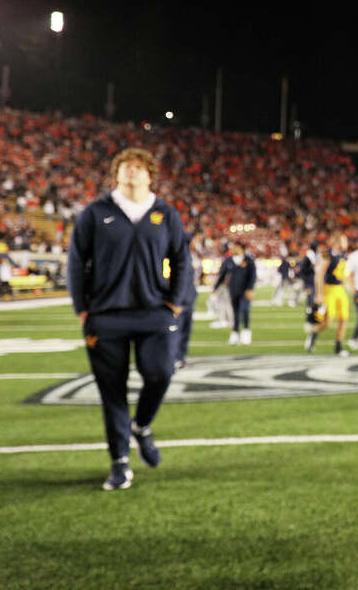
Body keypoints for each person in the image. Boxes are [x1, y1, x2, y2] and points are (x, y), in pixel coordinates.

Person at [67, 147, 190, 491]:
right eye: (126, 166)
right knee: (113, 392)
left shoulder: (166, 214)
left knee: (161, 372)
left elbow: (182, 259)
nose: (132, 171)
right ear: (116, 173)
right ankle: (119, 462)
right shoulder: (96, 212)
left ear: (151, 175)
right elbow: (76, 261)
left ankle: (143, 425)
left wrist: (175, 303)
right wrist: (82, 308)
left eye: (139, 167)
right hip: (106, 315)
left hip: (155, 312)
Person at [306, 233, 351, 355]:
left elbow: (342, 272)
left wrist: (347, 285)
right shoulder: (327, 254)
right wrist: (319, 294)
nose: (346, 243)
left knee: (343, 318)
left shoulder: (344, 255)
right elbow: (319, 275)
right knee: (328, 321)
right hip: (328, 289)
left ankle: (338, 347)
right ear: (337, 241)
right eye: (344, 240)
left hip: (340, 289)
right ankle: (313, 334)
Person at [214, 240, 256, 345]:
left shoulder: (249, 260)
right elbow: (222, 275)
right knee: (235, 313)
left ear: (240, 248)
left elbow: (253, 276)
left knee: (245, 311)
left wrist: (250, 289)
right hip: (233, 290)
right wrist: (215, 287)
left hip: (245, 291)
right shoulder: (228, 260)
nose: (232, 249)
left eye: (235, 247)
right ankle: (235, 333)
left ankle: (246, 333)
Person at [174, 235, 201, 369]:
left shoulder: (190, 255)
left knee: (186, 330)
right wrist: (177, 301)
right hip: (182, 300)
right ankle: (176, 357)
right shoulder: (181, 256)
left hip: (189, 297)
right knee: (178, 330)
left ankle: (180, 357)